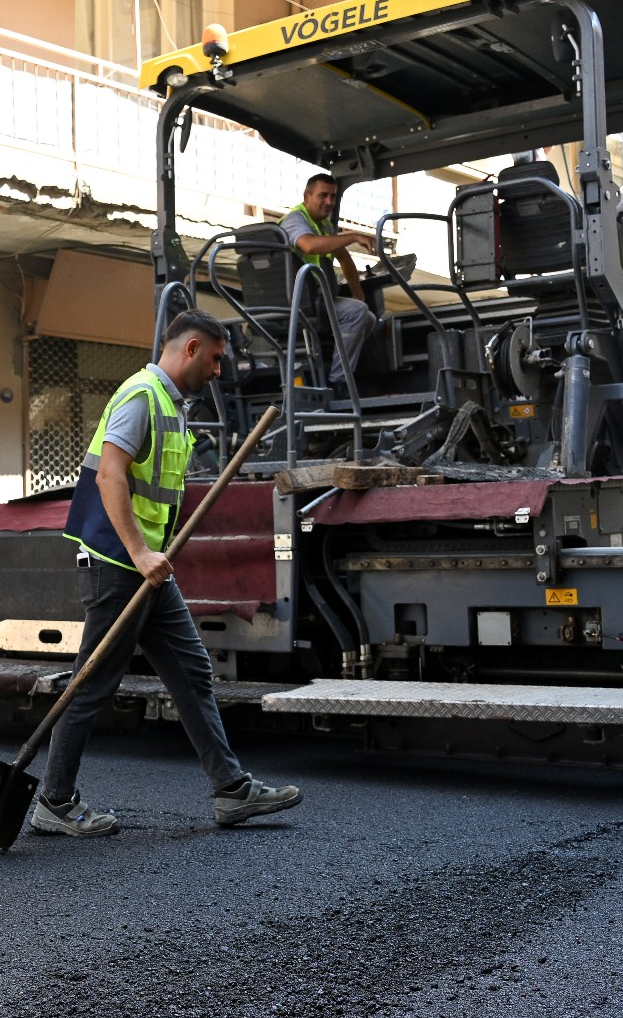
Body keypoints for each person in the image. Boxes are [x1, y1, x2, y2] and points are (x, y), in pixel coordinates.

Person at [36, 310, 303, 837]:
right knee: (91, 684)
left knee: (191, 670)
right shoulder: (141, 396)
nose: (220, 371)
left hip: (149, 568)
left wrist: (149, 558)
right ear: (192, 347)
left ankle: (231, 790)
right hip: (119, 563)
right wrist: (139, 553)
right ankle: (54, 801)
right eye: (217, 359)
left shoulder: (173, 406)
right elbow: (111, 474)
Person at [280, 173, 376, 380]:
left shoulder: (324, 226)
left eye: (333, 196)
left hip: (316, 299)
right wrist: (353, 236)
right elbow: (309, 245)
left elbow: (344, 257)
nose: (329, 202)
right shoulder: (295, 220)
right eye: (323, 196)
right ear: (307, 197)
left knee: (367, 317)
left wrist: (358, 293)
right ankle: (339, 381)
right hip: (298, 303)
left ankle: (333, 365)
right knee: (357, 312)